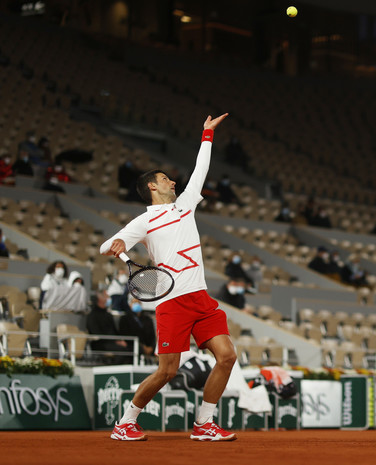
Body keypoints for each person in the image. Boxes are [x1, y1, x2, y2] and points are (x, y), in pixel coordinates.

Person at [99, 113, 237, 442]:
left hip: (201, 297)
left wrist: (206, 135)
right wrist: (119, 251)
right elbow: (107, 244)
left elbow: (200, 171)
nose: (172, 182)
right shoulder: (143, 222)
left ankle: (204, 423)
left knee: (227, 356)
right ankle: (126, 422)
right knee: (167, 371)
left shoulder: (185, 205)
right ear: (152, 186)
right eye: (165, 180)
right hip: (172, 302)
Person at [86, 291, 130, 363]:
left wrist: (120, 340)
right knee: (123, 351)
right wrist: (115, 341)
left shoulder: (107, 314)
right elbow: (96, 333)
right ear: (99, 300)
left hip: (112, 342)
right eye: (105, 297)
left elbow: (115, 331)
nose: (107, 299)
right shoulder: (92, 315)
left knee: (129, 348)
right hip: (101, 344)